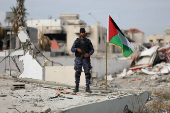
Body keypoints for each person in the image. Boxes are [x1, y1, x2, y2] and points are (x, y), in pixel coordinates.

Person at [71, 28, 94, 93]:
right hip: (79, 58)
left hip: (86, 59)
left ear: (85, 33)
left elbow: (92, 50)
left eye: (84, 32)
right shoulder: (77, 41)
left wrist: (89, 54)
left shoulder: (88, 41)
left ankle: (87, 87)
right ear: (80, 33)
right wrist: (77, 49)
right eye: (82, 32)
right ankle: (76, 87)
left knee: (87, 73)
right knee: (78, 73)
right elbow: (72, 49)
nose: (83, 33)